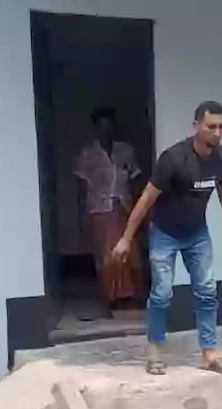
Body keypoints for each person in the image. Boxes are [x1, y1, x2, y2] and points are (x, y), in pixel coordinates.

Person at [112, 100, 222, 377]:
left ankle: (209, 354)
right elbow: (145, 200)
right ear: (196, 126)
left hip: (197, 234)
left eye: (221, 127)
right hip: (165, 233)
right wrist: (126, 238)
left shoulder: (221, 158)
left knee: (207, 291)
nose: (217, 132)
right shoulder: (174, 159)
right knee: (162, 293)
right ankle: (154, 349)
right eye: (211, 126)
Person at [74, 107, 145, 314]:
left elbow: (134, 179)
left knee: (130, 251)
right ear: (95, 128)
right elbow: (81, 185)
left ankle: (132, 295)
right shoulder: (88, 154)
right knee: (106, 254)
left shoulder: (126, 150)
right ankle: (110, 297)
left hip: (124, 206)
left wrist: (139, 210)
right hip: (99, 209)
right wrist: (81, 214)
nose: (106, 130)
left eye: (109, 125)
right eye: (101, 126)